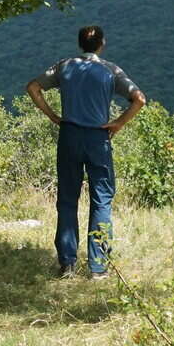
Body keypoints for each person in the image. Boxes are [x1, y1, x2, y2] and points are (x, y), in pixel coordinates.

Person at [26, 24, 145, 278]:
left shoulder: (64, 66)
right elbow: (139, 99)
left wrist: (53, 116)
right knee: (101, 197)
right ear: (102, 44)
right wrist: (119, 123)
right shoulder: (111, 70)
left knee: (68, 198)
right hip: (98, 138)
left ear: (80, 44)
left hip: (69, 134)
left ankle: (67, 263)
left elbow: (33, 88)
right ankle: (98, 266)